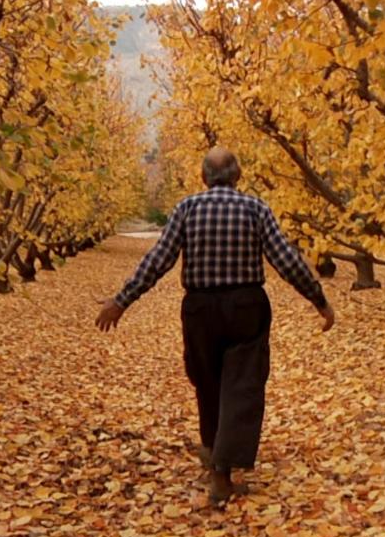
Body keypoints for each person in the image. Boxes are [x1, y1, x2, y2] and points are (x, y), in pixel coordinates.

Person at [96, 147, 335, 505]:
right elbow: (286, 259)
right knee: (243, 385)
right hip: (245, 305)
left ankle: (214, 451)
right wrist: (318, 299)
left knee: (207, 382)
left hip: (200, 309)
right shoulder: (255, 208)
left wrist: (122, 300)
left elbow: (158, 259)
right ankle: (221, 469)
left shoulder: (187, 209)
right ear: (238, 176)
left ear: (203, 177)